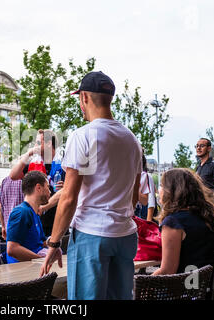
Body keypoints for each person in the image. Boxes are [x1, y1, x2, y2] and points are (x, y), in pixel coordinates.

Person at [40, 71, 143, 300]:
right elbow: (134, 196)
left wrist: (54, 242)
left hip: (92, 235)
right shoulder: (132, 140)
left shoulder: (83, 136)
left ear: (84, 97)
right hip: (125, 235)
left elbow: (68, 196)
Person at [152, 168, 214, 276]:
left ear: (171, 190)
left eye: (162, 186)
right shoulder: (205, 217)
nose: (159, 190)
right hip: (212, 287)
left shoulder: (173, 223)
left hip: (189, 289)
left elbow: (167, 271)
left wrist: (139, 285)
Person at [10, 129, 65, 237]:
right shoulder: (33, 163)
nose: (35, 146)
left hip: (58, 222)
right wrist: (28, 153)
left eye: (38, 143)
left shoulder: (65, 163)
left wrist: (67, 187)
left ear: (49, 143)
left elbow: (71, 191)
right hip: (35, 221)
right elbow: (13, 175)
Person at [6, 171, 62, 263]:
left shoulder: (34, 212)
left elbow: (41, 242)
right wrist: (42, 260)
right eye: (47, 187)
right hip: (22, 272)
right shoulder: (21, 212)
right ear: (38, 188)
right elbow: (12, 249)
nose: (50, 191)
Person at [0, 176, 24, 240]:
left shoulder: (5, 181)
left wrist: (3, 227)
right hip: (24, 229)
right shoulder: (26, 181)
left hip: (8, 229)